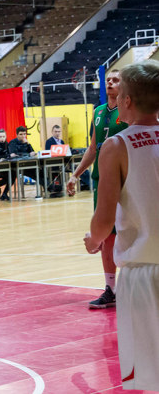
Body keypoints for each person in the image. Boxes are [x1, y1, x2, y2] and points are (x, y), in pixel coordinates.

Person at [83, 60, 159, 391]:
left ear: (127, 100)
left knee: (148, 371)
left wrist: (93, 239)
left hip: (143, 272)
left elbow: (103, 220)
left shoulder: (116, 146)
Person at [68, 69, 129, 309]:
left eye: (115, 80)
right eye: (108, 80)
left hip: (127, 178)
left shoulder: (130, 110)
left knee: (132, 231)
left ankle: (138, 284)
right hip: (102, 179)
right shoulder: (98, 112)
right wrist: (75, 175)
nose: (110, 83)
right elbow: (93, 148)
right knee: (107, 235)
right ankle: (110, 289)